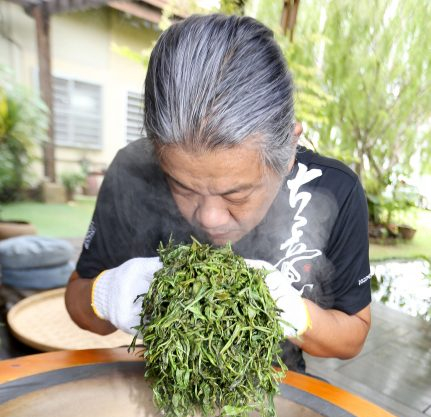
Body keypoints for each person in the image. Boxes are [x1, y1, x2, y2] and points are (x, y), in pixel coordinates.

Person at [65, 13, 371, 373]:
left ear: (288, 150)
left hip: (271, 396)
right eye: (181, 186)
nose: (209, 218)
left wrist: (296, 313)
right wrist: (108, 293)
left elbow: (353, 335)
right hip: (164, 382)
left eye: (236, 194)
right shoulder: (131, 170)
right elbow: (75, 299)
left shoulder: (334, 190)